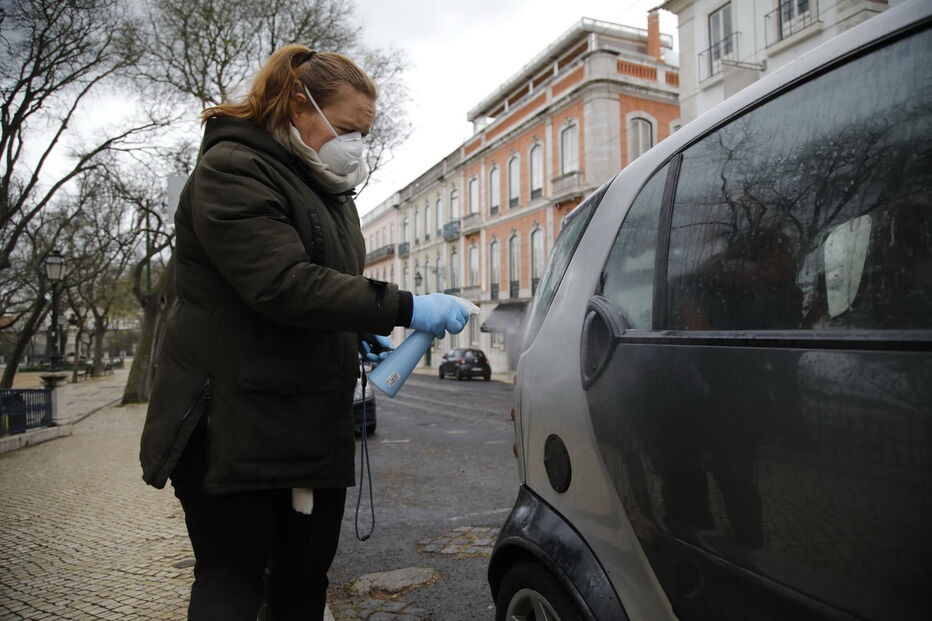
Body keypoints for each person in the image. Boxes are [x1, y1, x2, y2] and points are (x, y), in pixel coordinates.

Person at [138, 45, 470, 620]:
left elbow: (326, 282)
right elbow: (282, 283)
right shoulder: (231, 169)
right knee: (233, 585)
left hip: (306, 421)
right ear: (298, 106)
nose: (356, 145)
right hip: (232, 428)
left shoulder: (328, 189)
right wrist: (403, 306)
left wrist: (353, 326)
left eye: (364, 133)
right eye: (345, 128)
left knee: (302, 586)